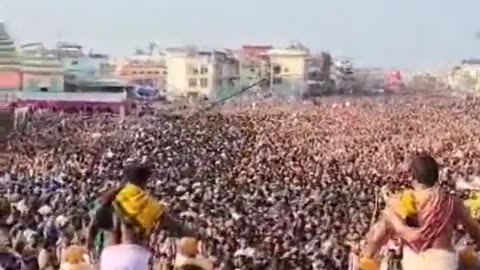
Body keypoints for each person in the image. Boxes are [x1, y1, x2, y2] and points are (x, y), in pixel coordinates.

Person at [363, 154, 480, 270]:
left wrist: (367, 256)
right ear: (437, 175)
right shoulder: (453, 202)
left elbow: (377, 236)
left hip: (412, 265)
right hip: (446, 264)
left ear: (412, 177)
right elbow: (475, 230)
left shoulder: (400, 202)